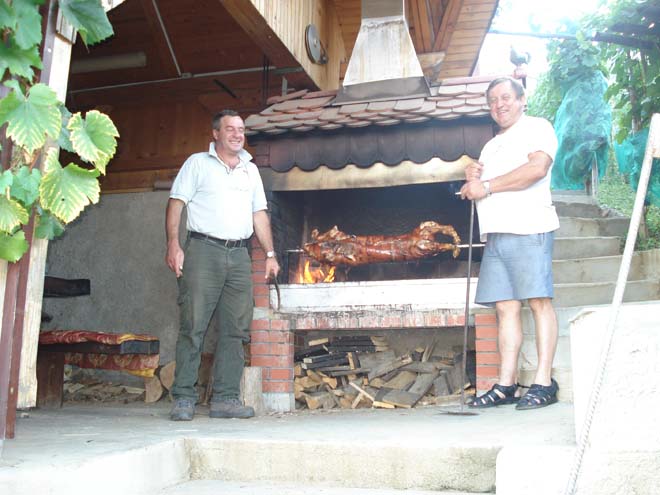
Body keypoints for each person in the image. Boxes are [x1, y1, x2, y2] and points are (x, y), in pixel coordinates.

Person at [165, 109, 280, 421]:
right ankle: (184, 398)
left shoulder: (250, 170)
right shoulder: (197, 164)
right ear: (216, 133)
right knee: (193, 324)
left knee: (236, 328)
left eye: (241, 129)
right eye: (230, 129)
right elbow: (176, 203)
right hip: (203, 250)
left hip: (239, 255)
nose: (237, 134)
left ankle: (226, 399)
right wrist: (173, 244)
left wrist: (270, 254)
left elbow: (259, 214)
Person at [460, 77, 560, 410]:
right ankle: (506, 384)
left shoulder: (537, 127)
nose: (498, 105)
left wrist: (486, 186)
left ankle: (544, 382)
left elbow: (537, 169)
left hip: (529, 228)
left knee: (539, 302)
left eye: (505, 97)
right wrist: (473, 179)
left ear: (521, 99)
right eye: (492, 101)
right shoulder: (491, 146)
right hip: (496, 235)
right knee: (505, 308)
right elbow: (484, 187)